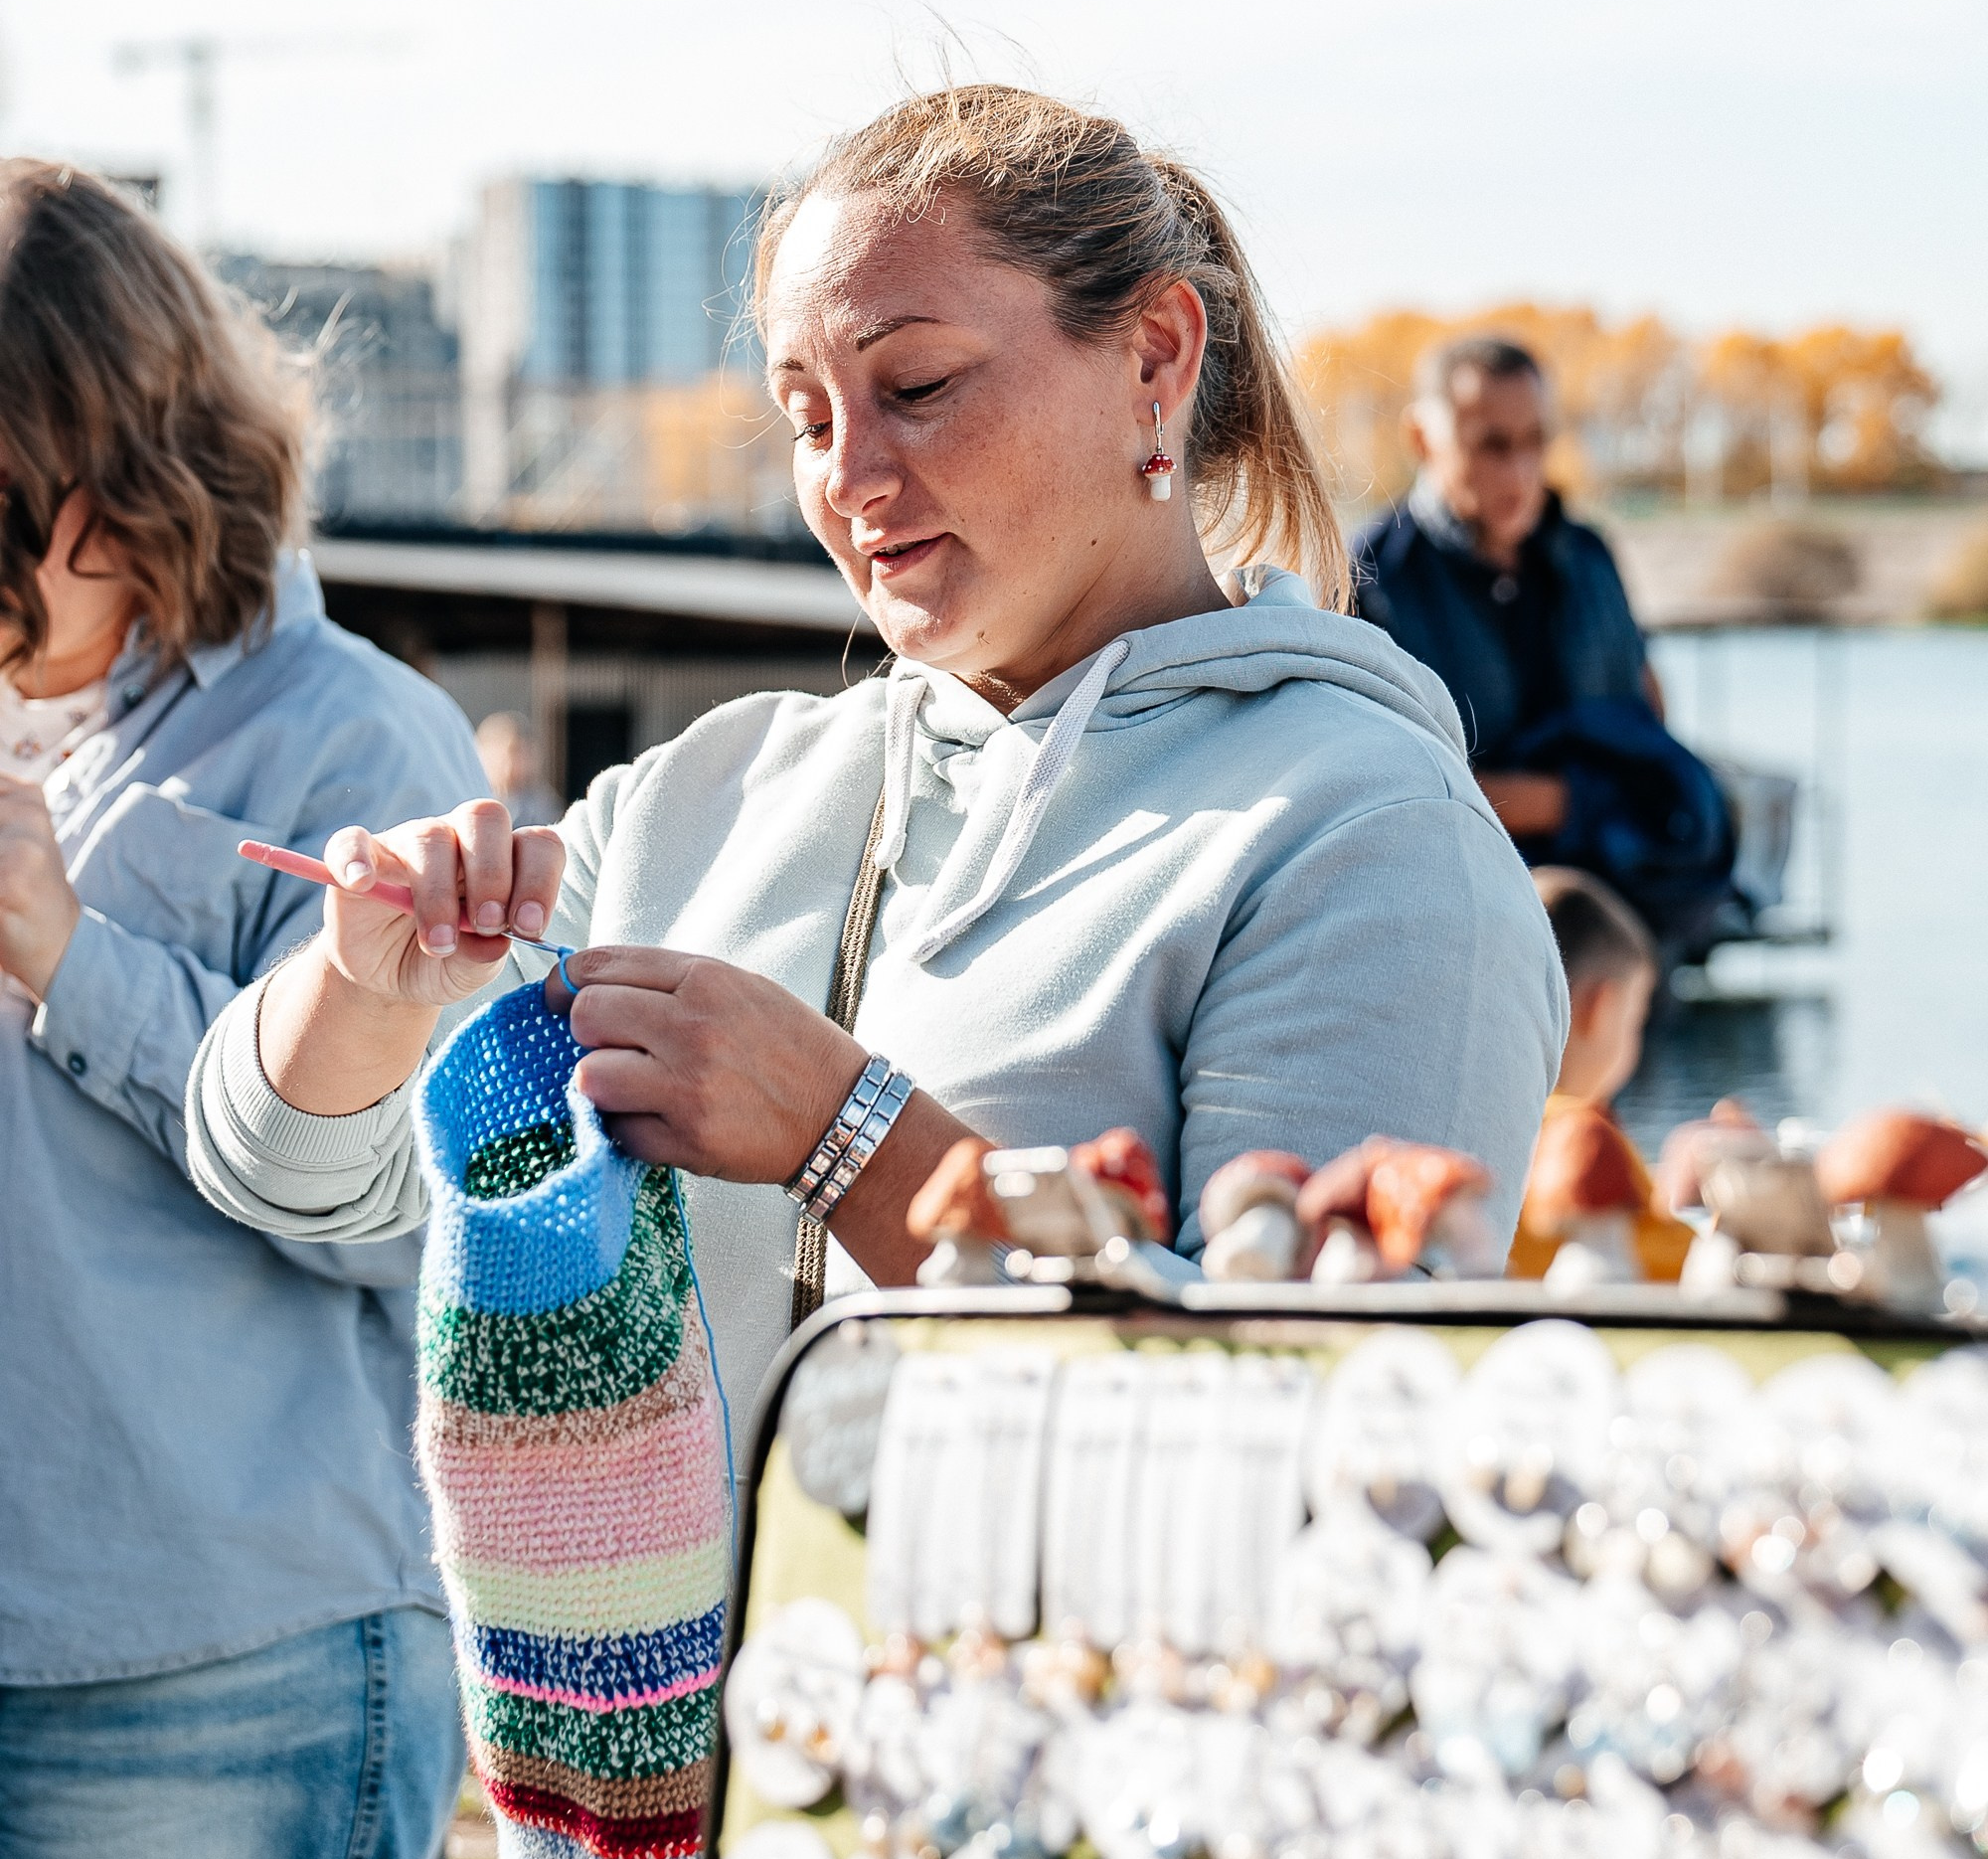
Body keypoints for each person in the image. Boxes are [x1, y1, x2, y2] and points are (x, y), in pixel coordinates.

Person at [188, 82, 1568, 1436]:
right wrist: (362, 991)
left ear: (1153, 358)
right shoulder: (704, 796)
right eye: (806, 417)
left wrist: (844, 1136)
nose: (846, 475)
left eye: (916, 386)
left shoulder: (1372, 839)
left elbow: (1319, 1428)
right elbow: (304, 1189)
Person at [0, 163, 486, 1859]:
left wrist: (69, 958)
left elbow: (420, 1212)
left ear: (113, 476)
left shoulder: (354, 747)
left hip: (209, 1669)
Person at [1351, 336, 1736, 956]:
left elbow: (1647, 701)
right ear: (1422, 437)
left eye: (1535, 441)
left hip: (1621, 934)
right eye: (1491, 445)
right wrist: (1578, 802)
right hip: (1465, 939)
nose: (1520, 471)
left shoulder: (1590, 557)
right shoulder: (1369, 578)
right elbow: (1374, 789)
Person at [1508, 865, 1688, 1281]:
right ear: (1600, 1009)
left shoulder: (1484, 1117)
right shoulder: (1582, 1135)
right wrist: (1704, 1186)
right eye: (1636, 1019)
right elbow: (1677, 1266)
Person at [476, 706, 560, 826]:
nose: (518, 761)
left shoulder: (543, 805)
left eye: (524, 752)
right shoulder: (471, 798)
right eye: (512, 751)